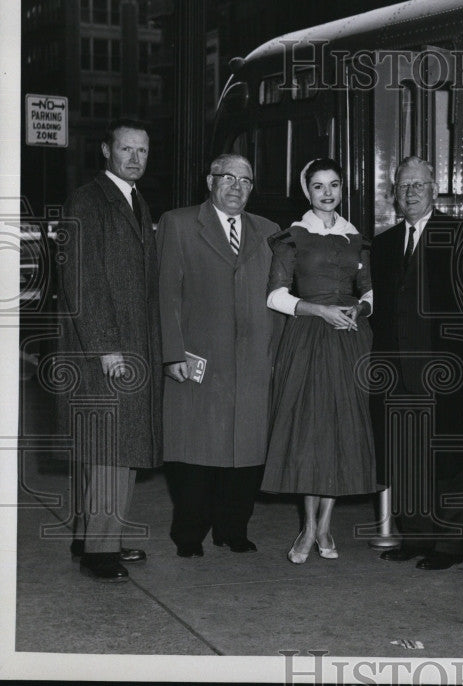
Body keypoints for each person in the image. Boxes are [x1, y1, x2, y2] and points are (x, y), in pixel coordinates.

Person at [371, 156, 463, 571]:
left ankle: (448, 547)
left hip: (446, 369)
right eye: (404, 186)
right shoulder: (385, 244)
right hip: (396, 372)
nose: (410, 193)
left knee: (446, 460)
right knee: (406, 457)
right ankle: (415, 537)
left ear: (434, 190)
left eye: (418, 186)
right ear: (394, 193)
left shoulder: (460, 235)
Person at [156, 154, 283, 557]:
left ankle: (233, 528)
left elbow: (278, 299)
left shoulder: (270, 231)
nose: (236, 186)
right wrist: (172, 353)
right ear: (209, 180)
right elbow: (166, 294)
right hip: (198, 360)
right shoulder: (178, 223)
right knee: (195, 456)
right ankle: (189, 535)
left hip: (253, 363)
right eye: (227, 177)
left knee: (245, 455)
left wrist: (276, 356)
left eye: (245, 180)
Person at [59, 118, 162, 583]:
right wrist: (106, 348)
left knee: (114, 447)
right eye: (126, 150)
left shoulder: (133, 200)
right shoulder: (89, 198)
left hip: (128, 344)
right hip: (107, 349)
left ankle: (96, 536)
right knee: (110, 451)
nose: (135, 158)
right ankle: (101, 552)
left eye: (142, 151)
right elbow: (82, 280)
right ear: (106, 151)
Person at [261, 158, 377, 564]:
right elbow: (275, 295)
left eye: (334, 185)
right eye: (318, 186)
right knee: (310, 432)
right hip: (309, 337)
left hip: (350, 340)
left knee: (340, 431)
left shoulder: (356, 237)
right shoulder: (293, 236)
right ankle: (308, 527)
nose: (327, 193)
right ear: (305, 190)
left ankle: (325, 525)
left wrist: (357, 313)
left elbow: (369, 293)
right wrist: (319, 311)